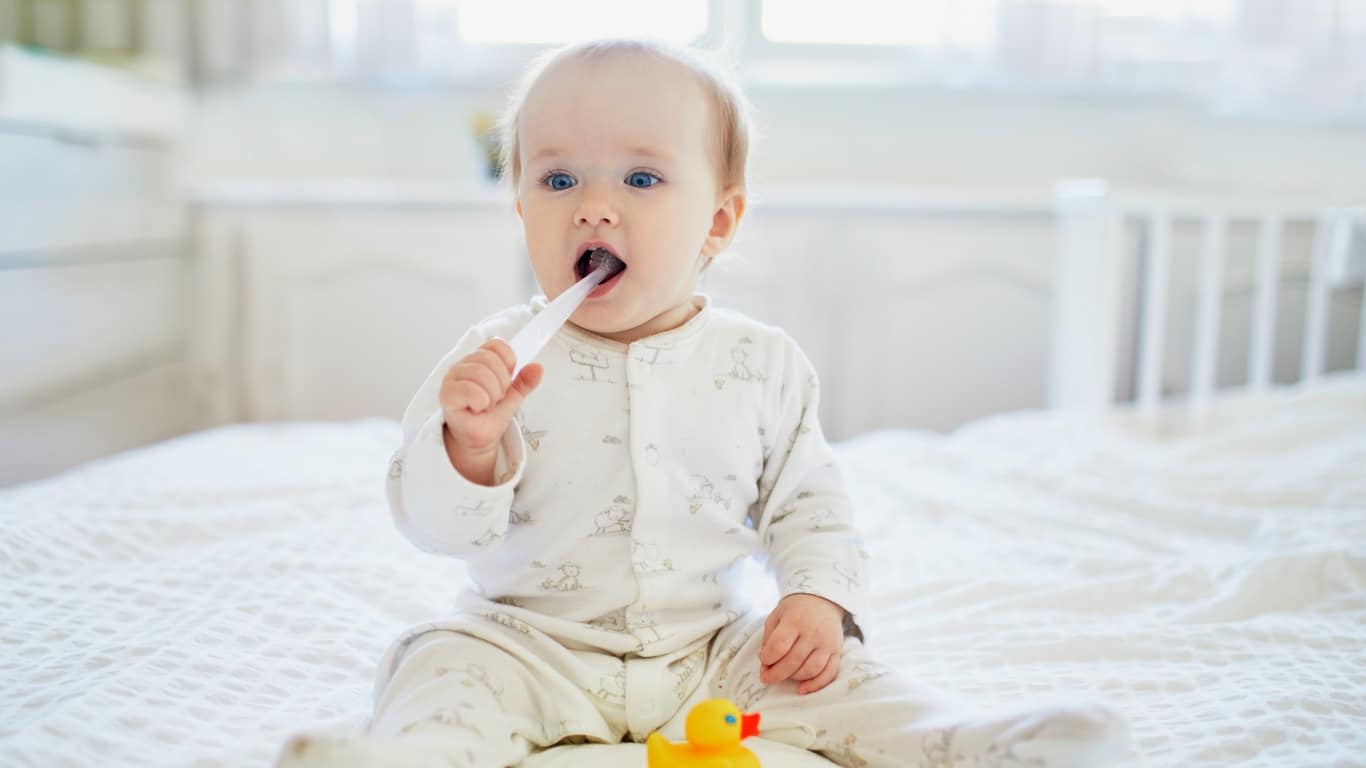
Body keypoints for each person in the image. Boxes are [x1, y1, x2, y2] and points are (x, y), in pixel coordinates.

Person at [278, 38, 1127, 768]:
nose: (595, 207)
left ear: (718, 224)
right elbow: (435, 529)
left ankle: (969, 743)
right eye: (559, 178)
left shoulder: (761, 365)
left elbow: (809, 503)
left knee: (841, 684)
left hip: (710, 652)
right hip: (527, 644)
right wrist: (467, 447)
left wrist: (817, 598)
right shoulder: (491, 363)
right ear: (522, 208)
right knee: (443, 676)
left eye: (642, 178)